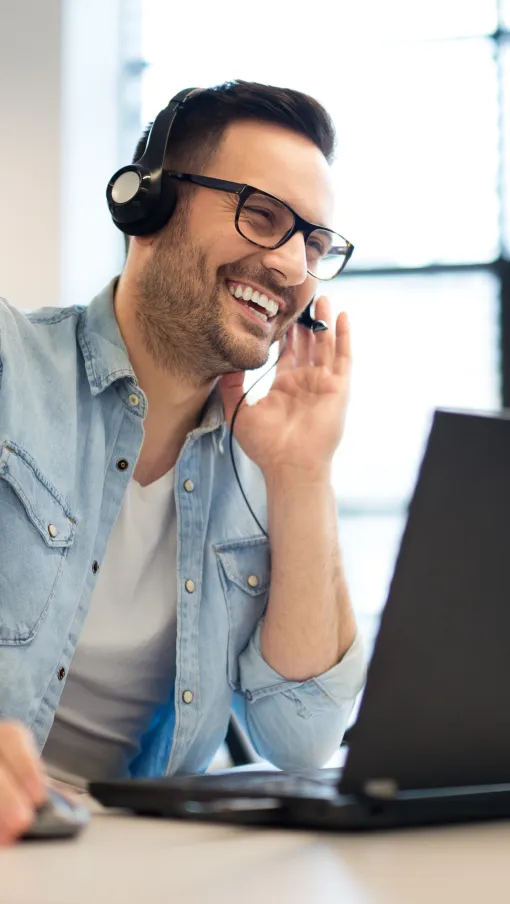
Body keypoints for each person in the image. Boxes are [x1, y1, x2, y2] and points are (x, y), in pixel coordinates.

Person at [0, 80, 365, 844]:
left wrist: (302, 477)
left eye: (315, 244)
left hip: (138, 861)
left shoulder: (263, 460)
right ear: (147, 206)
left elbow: (301, 741)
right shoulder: (11, 366)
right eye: (262, 216)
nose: (293, 267)